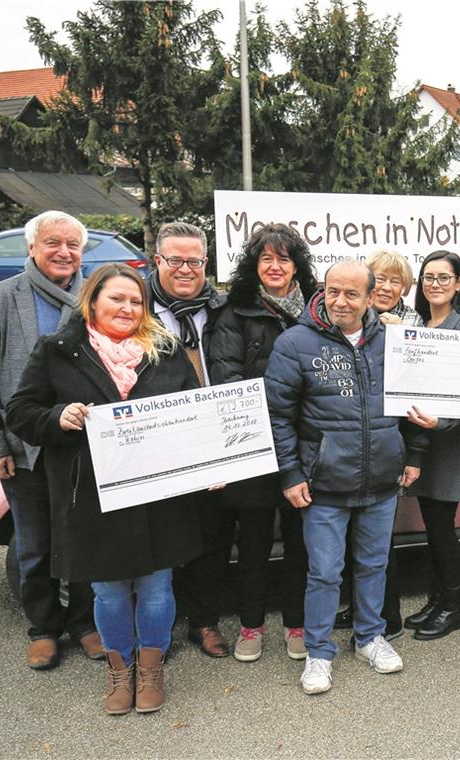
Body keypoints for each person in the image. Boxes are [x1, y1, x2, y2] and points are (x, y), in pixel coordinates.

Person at [5, 265, 203, 715]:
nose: (127, 308)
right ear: (92, 301)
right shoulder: (58, 350)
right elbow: (20, 412)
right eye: (116, 299)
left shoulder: (167, 350)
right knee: (110, 591)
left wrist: (208, 462)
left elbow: (195, 413)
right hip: (92, 495)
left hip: (158, 492)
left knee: (156, 587)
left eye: (135, 301)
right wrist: (58, 417)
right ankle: (120, 670)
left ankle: (151, 667)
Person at [265, 258, 428, 695]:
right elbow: (278, 416)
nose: (340, 300)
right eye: (332, 290)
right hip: (324, 484)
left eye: (351, 293)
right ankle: (318, 653)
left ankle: (369, 637)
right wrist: (290, 474)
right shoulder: (294, 343)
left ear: (371, 297)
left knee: (374, 564)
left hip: (382, 480)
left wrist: (413, 455)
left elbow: (414, 403)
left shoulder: (394, 341)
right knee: (323, 572)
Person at [0, 210, 101, 670]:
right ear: (32, 248)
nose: (64, 252)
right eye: (53, 243)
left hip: (88, 445)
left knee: (87, 537)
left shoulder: (97, 296)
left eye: (73, 245)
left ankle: (86, 623)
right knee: (35, 542)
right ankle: (44, 628)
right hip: (25, 445)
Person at [208, 224, 318, 663]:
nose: (275, 267)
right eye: (266, 259)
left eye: (284, 259)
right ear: (254, 266)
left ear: (297, 266)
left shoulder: (317, 310)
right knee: (252, 544)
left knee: (300, 542)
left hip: (303, 446)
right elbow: (226, 378)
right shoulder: (234, 313)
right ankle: (251, 625)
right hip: (251, 445)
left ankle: (297, 623)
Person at [147, 222, 230, 658]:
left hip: (214, 439)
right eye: (174, 260)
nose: (185, 269)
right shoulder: (133, 306)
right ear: (157, 260)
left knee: (211, 535)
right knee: (160, 535)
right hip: (156, 442)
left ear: (205, 263)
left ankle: (204, 621)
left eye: (194, 261)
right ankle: (156, 630)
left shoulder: (221, 308)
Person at [332, 249, 421, 640]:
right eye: (379, 279)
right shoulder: (355, 321)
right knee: (358, 537)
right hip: (356, 444)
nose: (386, 287)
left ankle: (388, 618)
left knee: (381, 541)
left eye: (395, 281)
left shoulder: (412, 326)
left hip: (393, 443)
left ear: (406, 287)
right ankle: (360, 608)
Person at [402, 250, 460, 640]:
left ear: (458, 283)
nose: (435, 284)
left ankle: (453, 607)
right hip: (421, 441)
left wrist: (443, 422)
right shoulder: (417, 326)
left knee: (443, 528)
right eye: (428, 277)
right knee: (433, 526)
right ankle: (437, 599)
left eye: (443, 277)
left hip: (449, 444)